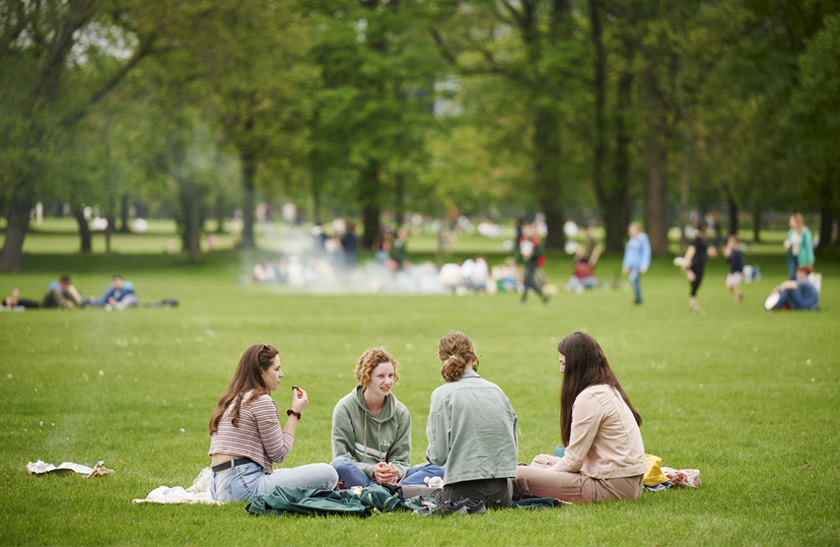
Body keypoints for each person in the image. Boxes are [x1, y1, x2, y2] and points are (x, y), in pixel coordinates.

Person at [512, 332, 646, 503]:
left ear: (577, 365)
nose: (561, 370)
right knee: (541, 460)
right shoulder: (607, 388)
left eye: (563, 364)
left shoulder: (590, 397)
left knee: (520, 476)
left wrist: (541, 476)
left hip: (611, 485)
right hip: (626, 481)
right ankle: (537, 481)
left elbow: (573, 461)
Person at [401, 332, 519, 508]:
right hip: (502, 494)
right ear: (474, 357)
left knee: (401, 490)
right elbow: (511, 448)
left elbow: (437, 457)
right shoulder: (497, 391)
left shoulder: (442, 395)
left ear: (442, 360)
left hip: (462, 494)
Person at [208, 344, 338, 502]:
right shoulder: (260, 401)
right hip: (243, 486)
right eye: (276, 369)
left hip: (219, 485)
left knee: (289, 473)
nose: (281, 374)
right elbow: (279, 453)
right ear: (261, 371)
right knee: (328, 473)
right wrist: (295, 413)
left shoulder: (232, 399)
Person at [330, 348, 444, 487]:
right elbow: (342, 457)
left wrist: (393, 472)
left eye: (390, 375)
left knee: (440, 468)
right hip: (359, 476)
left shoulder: (400, 413)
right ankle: (391, 493)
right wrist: (372, 470)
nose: (388, 381)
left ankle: (384, 492)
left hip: (391, 481)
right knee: (339, 464)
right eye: (381, 376)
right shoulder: (345, 408)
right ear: (366, 377)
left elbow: (401, 461)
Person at [680, 221, 714, 314]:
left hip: (701, 265)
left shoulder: (703, 240)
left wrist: (708, 252)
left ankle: (694, 306)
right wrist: (686, 264)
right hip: (696, 265)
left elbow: (701, 252)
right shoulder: (698, 239)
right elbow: (691, 250)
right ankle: (693, 306)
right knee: (695, 285)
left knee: (696, 286)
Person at [515, 222, 548, 304]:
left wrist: (532, 254)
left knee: (527, 281)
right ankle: (543, 296)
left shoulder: (535, 241)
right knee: (530, 282)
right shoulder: (522, 241)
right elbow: (519, 254)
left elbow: (540, 252)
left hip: (533, 264)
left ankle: (523, 300)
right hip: (526, 264)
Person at [622, 223, 651, 304]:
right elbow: (627, 254)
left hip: (638, 265)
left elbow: (646, 253)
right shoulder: (631, 240)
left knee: (632, 279)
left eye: (632, 230)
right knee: (635, 281)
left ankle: (638, 298)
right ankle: (638, 298)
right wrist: (625, 265)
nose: (630, 231)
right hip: (631, 265)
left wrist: (644, 265)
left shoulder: (643, 239)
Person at [784, 213, 815, 280]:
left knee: (801, 278)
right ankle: (794, 290)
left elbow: (808, 248)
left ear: (797, 221)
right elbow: (789, 243)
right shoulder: (791, 232)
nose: (790, 222)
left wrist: (810, 261)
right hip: (793, 257)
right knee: (792, 277)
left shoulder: (805, 232)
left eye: (792, 221)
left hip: (802, 259)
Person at [724, 234, 745, 303]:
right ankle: (739, 294)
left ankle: (737, 299)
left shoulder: (739, 253)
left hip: (737, 272)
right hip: (732, 272)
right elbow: (729, 262)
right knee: (729, 286)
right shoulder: (732, 252)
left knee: (734, 285)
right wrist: (727, 256)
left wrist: (741, 272)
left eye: (730, 243)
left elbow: (741, 263)